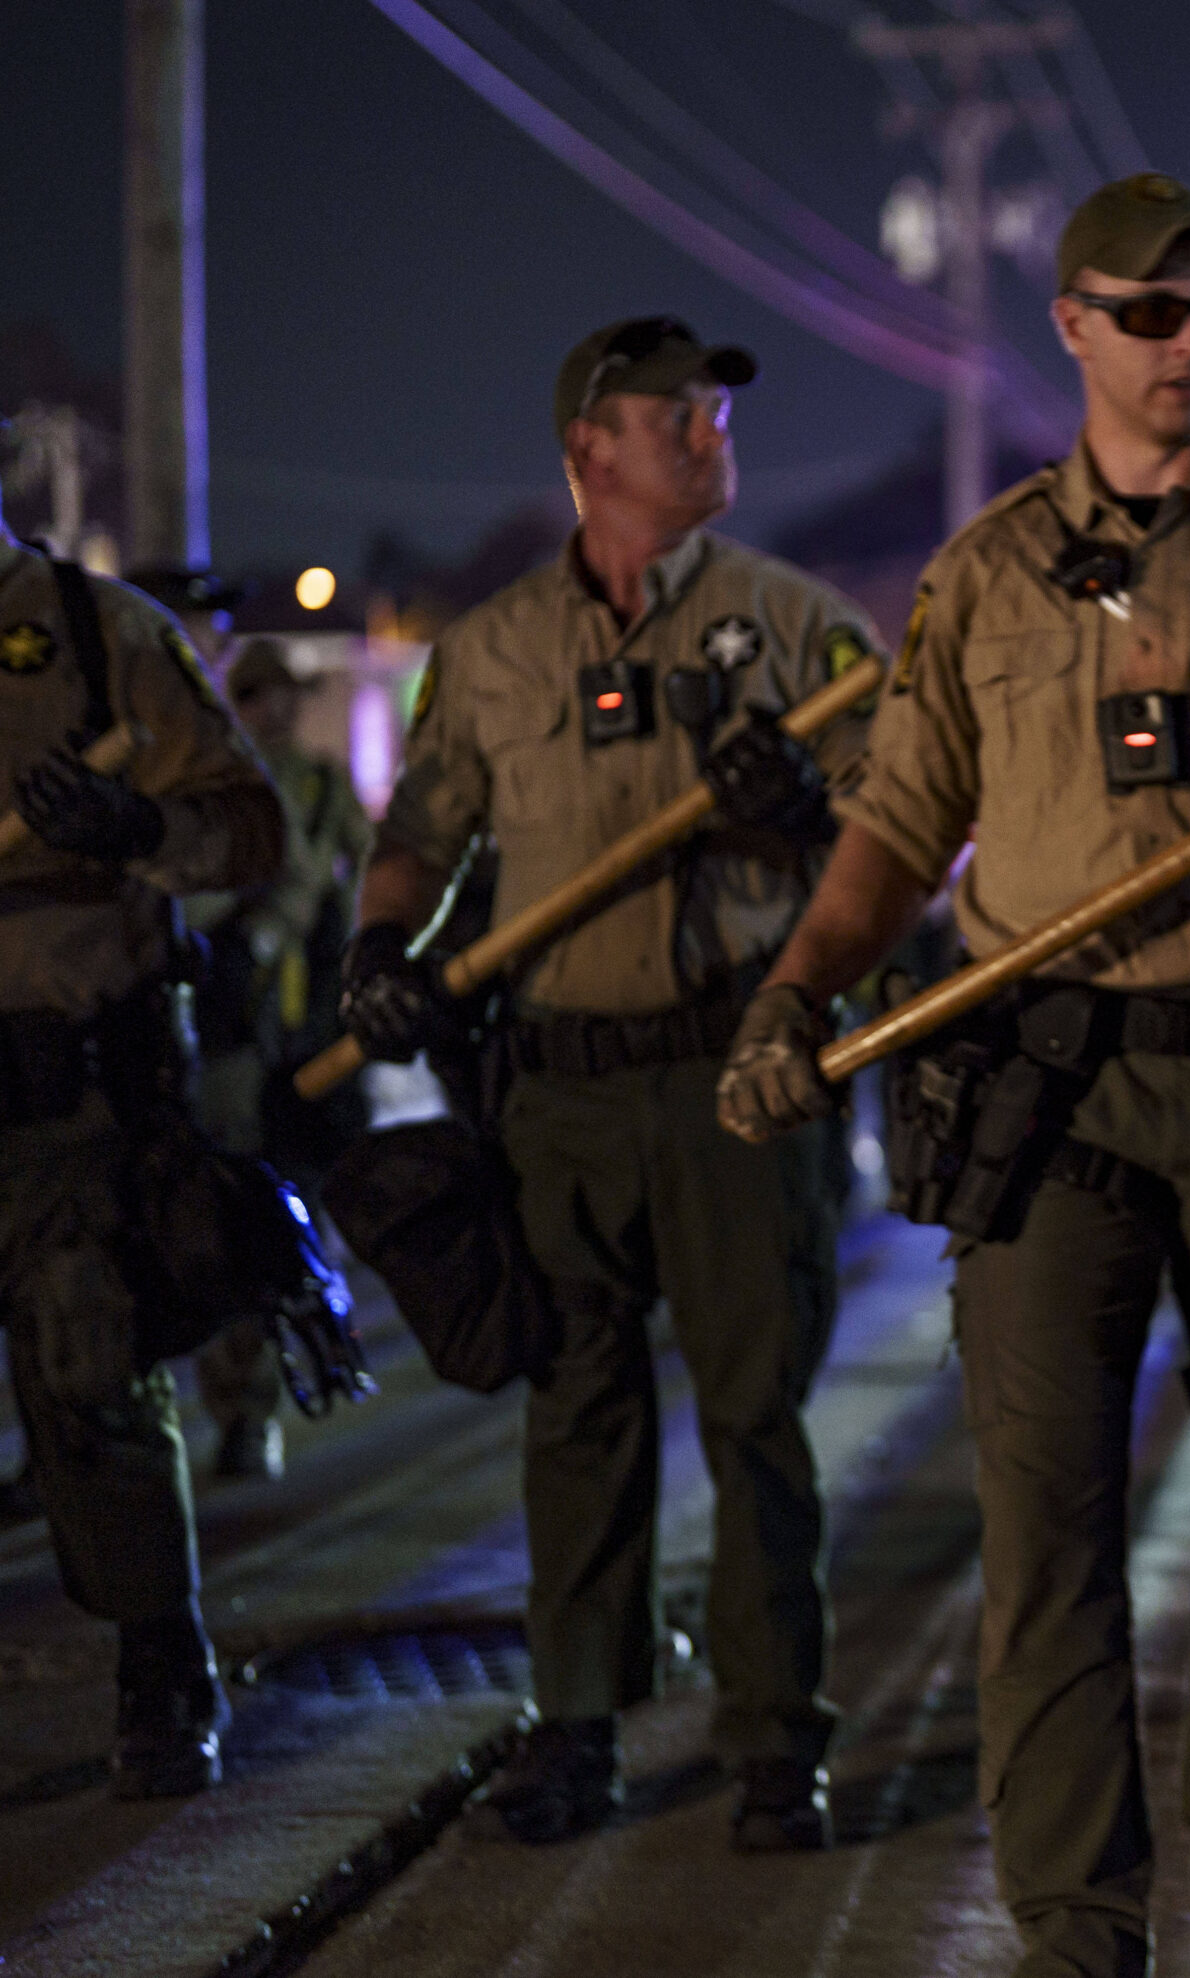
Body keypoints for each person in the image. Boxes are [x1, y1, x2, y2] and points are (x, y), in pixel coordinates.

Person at [716, 173, 1190, 1978]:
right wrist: (794, 992)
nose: (1184, 344)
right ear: (1067, 323)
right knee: (1047, 1524)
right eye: (1146, 312)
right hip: (1050, 1084)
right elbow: (900, 819)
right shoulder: (983, 568)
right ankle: (1077, 1925)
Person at [339, 317, 882, 1851]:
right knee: (574, 1411)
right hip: (560, 1085)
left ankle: (779, 1737)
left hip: (734, 1075)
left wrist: (802, 818)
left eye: (721, 413)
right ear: (590, 448)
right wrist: (384, 943)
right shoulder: (495, 651)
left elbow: (913, 836)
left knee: (757, 1413)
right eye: (683, 415)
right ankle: (576, 1721)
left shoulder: (797, 629)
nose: (718, 432)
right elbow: (419, 830)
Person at [0, 520, 285, 1795]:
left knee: (90, 1367)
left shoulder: (100, 630)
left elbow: (250, 830)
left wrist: (134, 824)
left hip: (70, 1098)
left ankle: (163, 1664)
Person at [183, 637, 374, 1482]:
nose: (281, 712)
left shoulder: (324, 785)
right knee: (228, 1221)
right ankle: (245, 1407)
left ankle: (303, 1371)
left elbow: (364, 885)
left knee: (295, 1218)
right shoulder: (214, 781)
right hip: (228, 1034)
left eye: (288, 695)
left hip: (302, 1039)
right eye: (263, 696)